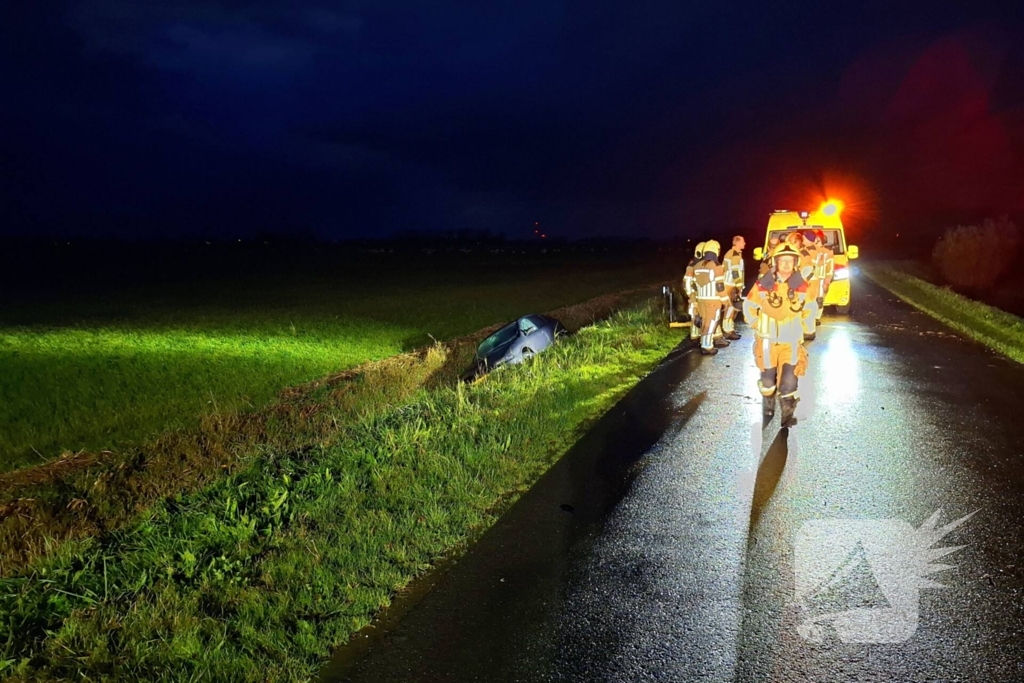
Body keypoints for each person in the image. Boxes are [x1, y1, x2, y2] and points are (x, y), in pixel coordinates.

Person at [743, 242, 812, 426]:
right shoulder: (762, 285)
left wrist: (806, 328)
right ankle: (768, 402)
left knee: (790, 379)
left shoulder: (802, 286)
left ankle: (787, 414)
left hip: (791, 341)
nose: (787, 264)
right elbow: (749, 305)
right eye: (783, 260)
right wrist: (756, 324)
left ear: (795, 262)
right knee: (767, 379)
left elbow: (810, 308)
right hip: (767, 341)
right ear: (776, 262)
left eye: (790, 260)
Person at [693, 239, 729, 355]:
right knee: (711, 322)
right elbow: (719, 286)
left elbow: (693, 284)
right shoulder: (716, 266)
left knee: (705, 322)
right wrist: (725, 300)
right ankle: (707, 346)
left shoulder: (697, 265)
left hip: (701, 299)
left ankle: (704, 342)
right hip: (713, 300)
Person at [798, 230, 823, 340]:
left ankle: (808, 331)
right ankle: (808, 330)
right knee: (809, 305)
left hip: (809, 281)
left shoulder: (810, 251)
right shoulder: (815, 249)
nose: (802, 239)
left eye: (804, 238)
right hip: (813, 280)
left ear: (808, 239)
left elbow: (808, 268)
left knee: (808, 305)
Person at [721, 235, 746, 340]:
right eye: (743, 241)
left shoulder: (732, 253)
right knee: (730, 308)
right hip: (731, 284)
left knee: (731, 308)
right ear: (737, 243)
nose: (744, 243)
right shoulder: (734, 255)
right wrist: (738, 286)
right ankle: (727, 330)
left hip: (730, 283)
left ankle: (729, 329)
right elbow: (735, 272)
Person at [683, 242, 706, 341]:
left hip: (702, 295)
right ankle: (695, 335)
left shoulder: (704, 265)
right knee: (695, 314)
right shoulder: (692, 266)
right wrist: (691, 295)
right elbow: (686, 283)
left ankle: (701, 334)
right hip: (695, 295)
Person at [813, 229, 834, 326]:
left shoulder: (827, 252)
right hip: (810, 279)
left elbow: (830, 267)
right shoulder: (808, 250)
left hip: (821, 278)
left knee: (819, 299)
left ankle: (817, 317)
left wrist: (828, 279)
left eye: (817, 239)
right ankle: (809, 316)